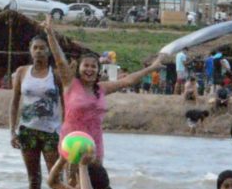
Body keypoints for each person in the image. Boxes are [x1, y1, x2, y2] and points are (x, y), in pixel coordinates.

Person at [45, 15, 163, 163]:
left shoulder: (102, 88)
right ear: (79, 68)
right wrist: (50, 35)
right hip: (72, 142)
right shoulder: (70, 84)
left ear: (98, 70)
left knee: (96, 177)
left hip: (94, 142)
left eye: (93, 66)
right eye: (86, 66)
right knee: (73, 178)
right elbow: (60, 60)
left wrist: (152, 68)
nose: (89, 69)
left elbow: (128, 80)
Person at [9, 35, 64, 189]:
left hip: (51, 132)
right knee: (33, 178)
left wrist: (66, 129)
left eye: (42, 48)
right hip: (27, 131)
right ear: (30, 51)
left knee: (56, 178)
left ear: (49, 51)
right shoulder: (22, 72)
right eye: (35, 48)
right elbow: (14, 102)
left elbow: (66, 102)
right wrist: (12, 131)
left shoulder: (55, 74)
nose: (39, 51)